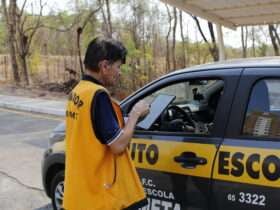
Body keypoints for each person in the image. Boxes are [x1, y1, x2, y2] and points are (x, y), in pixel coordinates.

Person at [63, 37, 149, 210]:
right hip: (98, 198)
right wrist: (135, 115)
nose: (119, 72)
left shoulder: (78, 91)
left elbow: (92, 130)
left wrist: (124, 121)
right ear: (104, 66)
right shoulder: (98, 95)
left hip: (79, 195)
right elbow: (117, 145)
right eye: (118, 67)